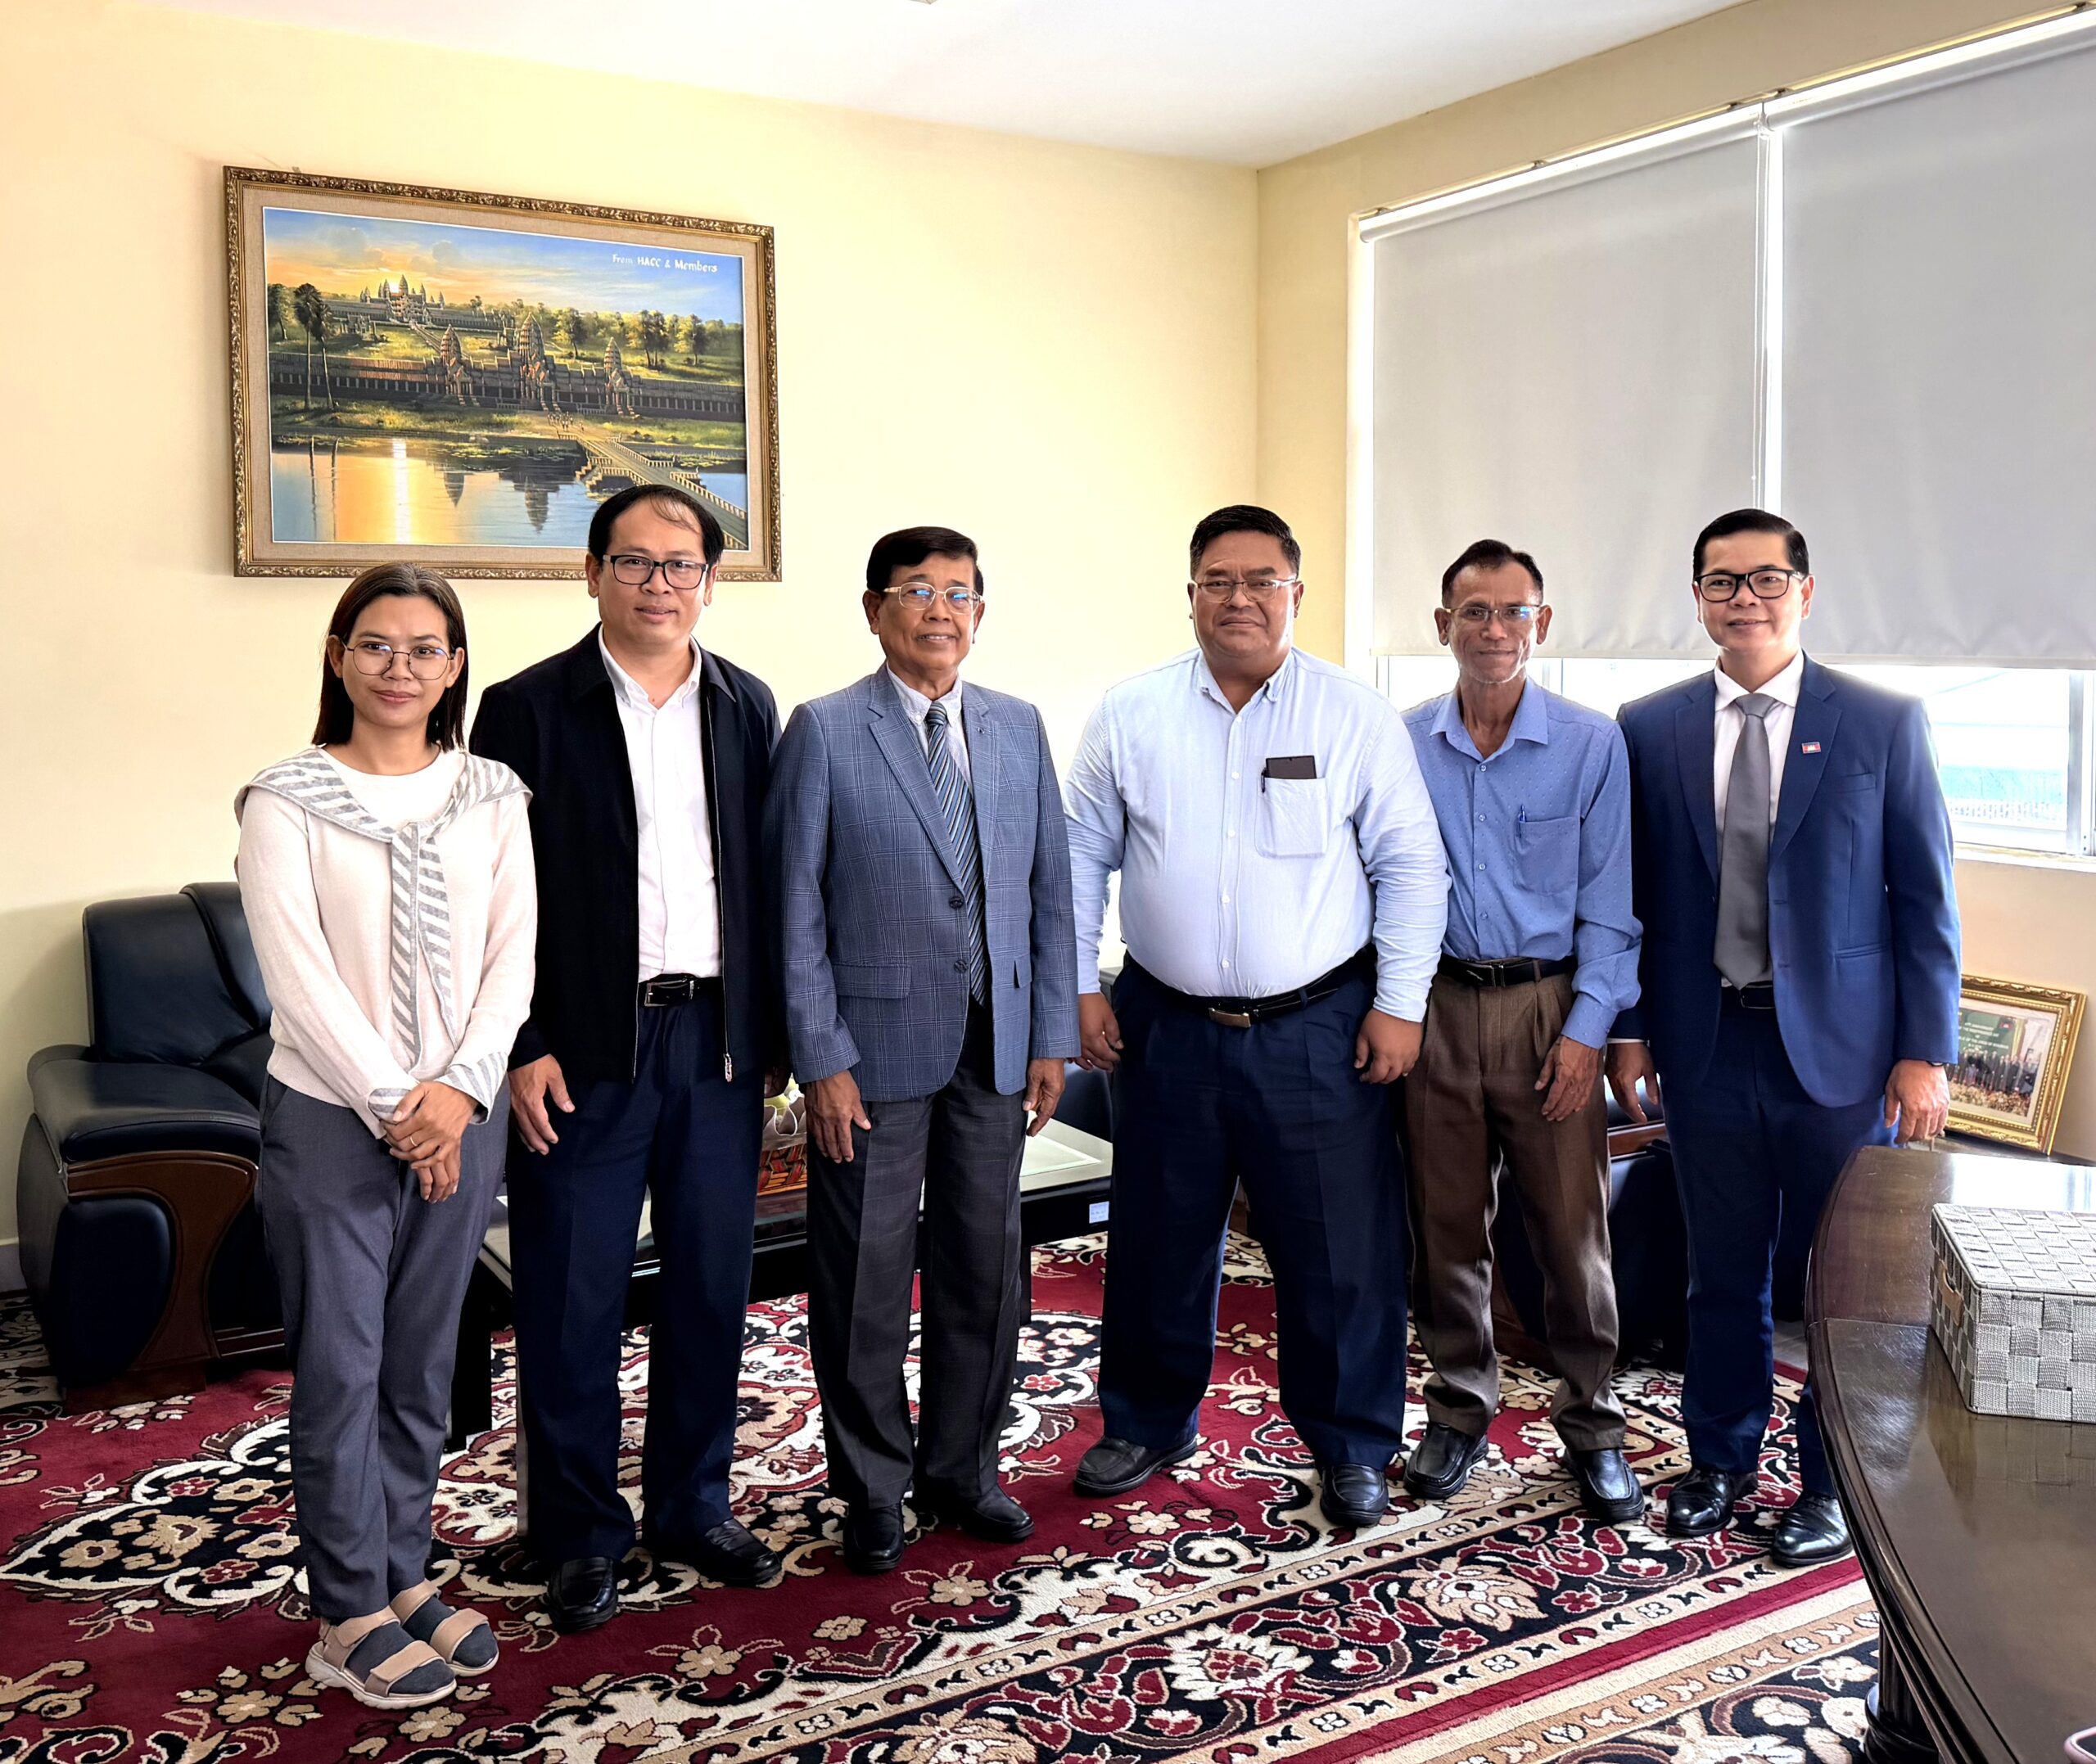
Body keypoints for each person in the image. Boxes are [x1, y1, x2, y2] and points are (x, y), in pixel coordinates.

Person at [1066, 504, 1449, 1529]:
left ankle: (1352, 1443)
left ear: (1294, 593)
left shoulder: (1352, 714)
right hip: (1164, 1023)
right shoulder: (1132, 712)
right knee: (1158, 1235)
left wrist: (1399, 1005)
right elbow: (1078, 857)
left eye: (1261, 580)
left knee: (1339, 1248)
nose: (1239, 598)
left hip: (1318, 1026)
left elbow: (1412, 868)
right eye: (1218, 580)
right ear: (1190, 593)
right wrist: (1078, 987)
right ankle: (1147, 1419)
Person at [1607, 508, 1959, 1568]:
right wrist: (1631, 1028)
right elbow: (1634, 893)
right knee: (1721, 1271)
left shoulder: (1881, 722)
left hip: (1844, 1058)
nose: (1745, 598)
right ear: (1698, 599)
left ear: (1804, 591)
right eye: (1722, 581)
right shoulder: (1649, 724)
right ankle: (1719, 1460)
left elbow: (1923, 897)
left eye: (1766, 578)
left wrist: (1925, 1050)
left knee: (1843, 1288)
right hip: (1706, 1045)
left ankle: (1834, 1482)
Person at [471, 484, 784, 1633]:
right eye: (637, 561)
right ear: (592, 571)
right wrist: (522, 1042)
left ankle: (694, 1506)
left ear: (710, 579)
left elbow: (767, 882)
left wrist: (771, 1040)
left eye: (682, 563)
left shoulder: (747, 705)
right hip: (583, 1048)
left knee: (709, 1286)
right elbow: (489, 894)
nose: (661, 583)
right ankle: (578, 1530)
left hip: (716, 1043)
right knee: (570, 1296)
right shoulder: (525, 708)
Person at [237, 565, 533, 1708]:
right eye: (375, 644)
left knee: (421, 1362)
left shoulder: (492, 793)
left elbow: (512, 957)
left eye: (424, 648)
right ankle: (346, 1604)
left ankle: (404, 1571)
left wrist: (458, 1093)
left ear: (454, 666)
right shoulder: (285, 799)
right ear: (338, 655)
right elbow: (300, 978)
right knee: (343, 1365)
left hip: (463, 1113)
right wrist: (403, 1111)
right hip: (331, 1118)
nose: (399, 667)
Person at [766, 526, 1080, 1576]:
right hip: (871, 1054)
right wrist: (820, 1057)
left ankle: (963, 1468)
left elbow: (1048, 892)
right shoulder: (824, 729)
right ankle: (870, 1484)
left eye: (958, 592)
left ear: (979, 614)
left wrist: (1050, 1034)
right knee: (862, 1277)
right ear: (874, 610)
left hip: (996, 1045)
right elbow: (794, 909)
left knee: (985, 1270)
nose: (939, 610)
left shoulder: (1017, 725)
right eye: (915, 590)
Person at [1401, 541, 1642, 1521]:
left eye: (1513, 611)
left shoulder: (1590, 744)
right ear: (1443, 625)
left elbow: (1611, 906)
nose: (1493, 629)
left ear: (1540, 624)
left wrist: (1587, 1032)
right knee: (1444, 1230)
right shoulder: (1401, 742)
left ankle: (1592, 1423)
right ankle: (1458, 1409)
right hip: (1435, 1007)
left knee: (1573, 1238)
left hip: (1550, 1008)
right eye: (1474, 611)